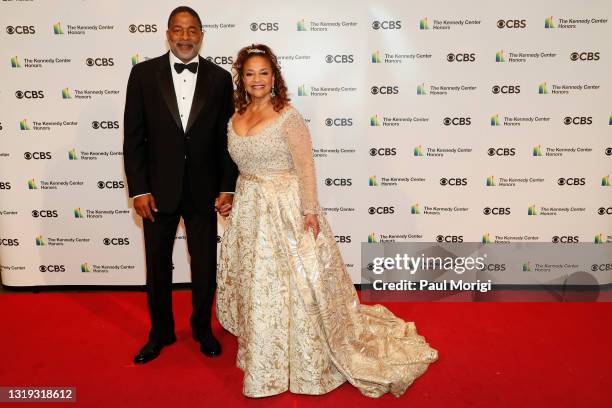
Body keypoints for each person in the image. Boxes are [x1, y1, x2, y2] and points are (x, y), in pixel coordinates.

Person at [216, 44, 438, 398]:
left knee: (298, 285)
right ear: (240, 79)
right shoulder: (235, 118)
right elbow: (237, 165)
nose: (257, 79)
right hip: (249, 210)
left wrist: (310, 212)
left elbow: (305, 166)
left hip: (285, 207)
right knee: (260, 284)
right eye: (249, 73)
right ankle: (265, 356)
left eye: (263, 73)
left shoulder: (287, 116)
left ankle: (305, 360)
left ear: (274, 77)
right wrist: (228, 194)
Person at [123, 6, 237, 364]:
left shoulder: (220, 79)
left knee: (204, 265)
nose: (184, 36)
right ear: (167, 34)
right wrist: (139, 190)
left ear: (201, 35)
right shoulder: (142, 74)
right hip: (157, 192)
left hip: (204, 192)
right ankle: (160, 333)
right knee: (157, 265)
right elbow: (134, 137)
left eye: (191, 30)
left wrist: (226, 186)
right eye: (177, 29)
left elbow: (226, 139)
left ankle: (202, 328)